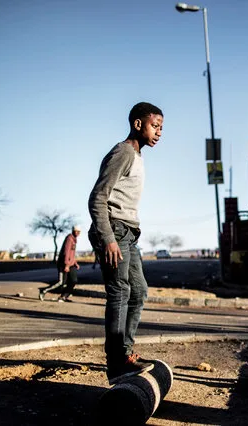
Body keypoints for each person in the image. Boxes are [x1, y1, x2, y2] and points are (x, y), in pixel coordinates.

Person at [88, 101, 163, 385]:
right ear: (137, 124)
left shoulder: (138, 156)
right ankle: (116, 361)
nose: (159, 132)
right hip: (114, 231)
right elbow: (97, 197)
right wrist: (107, 238)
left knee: (139, 291)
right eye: (155, 126)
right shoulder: (124, 152)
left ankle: (126, 352)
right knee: (119, 292)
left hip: (129, 233)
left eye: (161, 128)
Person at [38, 225, 81, 302]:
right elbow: (66, 253)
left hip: (71, 264)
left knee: (73, 280)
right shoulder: (69, 239)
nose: (77, 233)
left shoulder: (74, 240)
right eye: (76, 231)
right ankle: (43, 290)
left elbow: (72, 254)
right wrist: (67, 265)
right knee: (61, 282)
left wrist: (75, 263)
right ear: (73, 231)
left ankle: (64, 296)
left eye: (79, 232)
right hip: (63, 264)